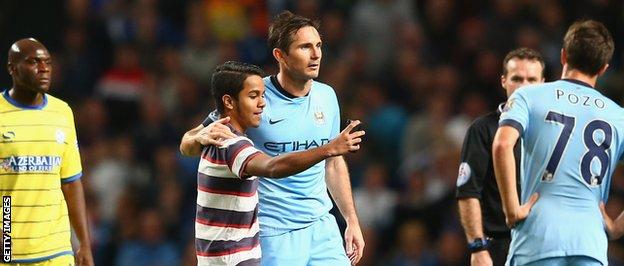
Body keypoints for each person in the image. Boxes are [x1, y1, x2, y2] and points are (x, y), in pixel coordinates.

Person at [181, 11, 365, 265]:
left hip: (322, 227)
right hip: (274, 232)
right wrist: (199, 135)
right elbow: (188, 144)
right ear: (280, 55)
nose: (316, 54)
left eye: (318, 45)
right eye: (305, 47)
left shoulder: (327, 96)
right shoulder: (255, 96)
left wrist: (351, 221)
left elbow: (333, 164)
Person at [493, 20, 616, 265]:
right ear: (603, 68)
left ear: (563, 56)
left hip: (537, 240)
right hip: (590, 245)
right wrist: (618, 226)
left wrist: (511, 209)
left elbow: (502, 145)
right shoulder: (618, 116)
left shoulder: (527, 95)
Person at [1, 38, 94, 265]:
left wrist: (83, 244)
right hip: (9, 251)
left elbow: (71, 183)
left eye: (47, 63)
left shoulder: (62, 112)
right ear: (12, 68)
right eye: (33, 62)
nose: (44, 69)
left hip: (57, 251)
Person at [456, 47, 545, 266]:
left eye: (531, 79)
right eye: (517, 78)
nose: (524, 86)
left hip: (545, 246)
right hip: (499, 246)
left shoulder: (553, 130)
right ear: (503, 81)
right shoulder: (483, 129)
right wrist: (477, 248)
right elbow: (468, 191)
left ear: (543, 84)